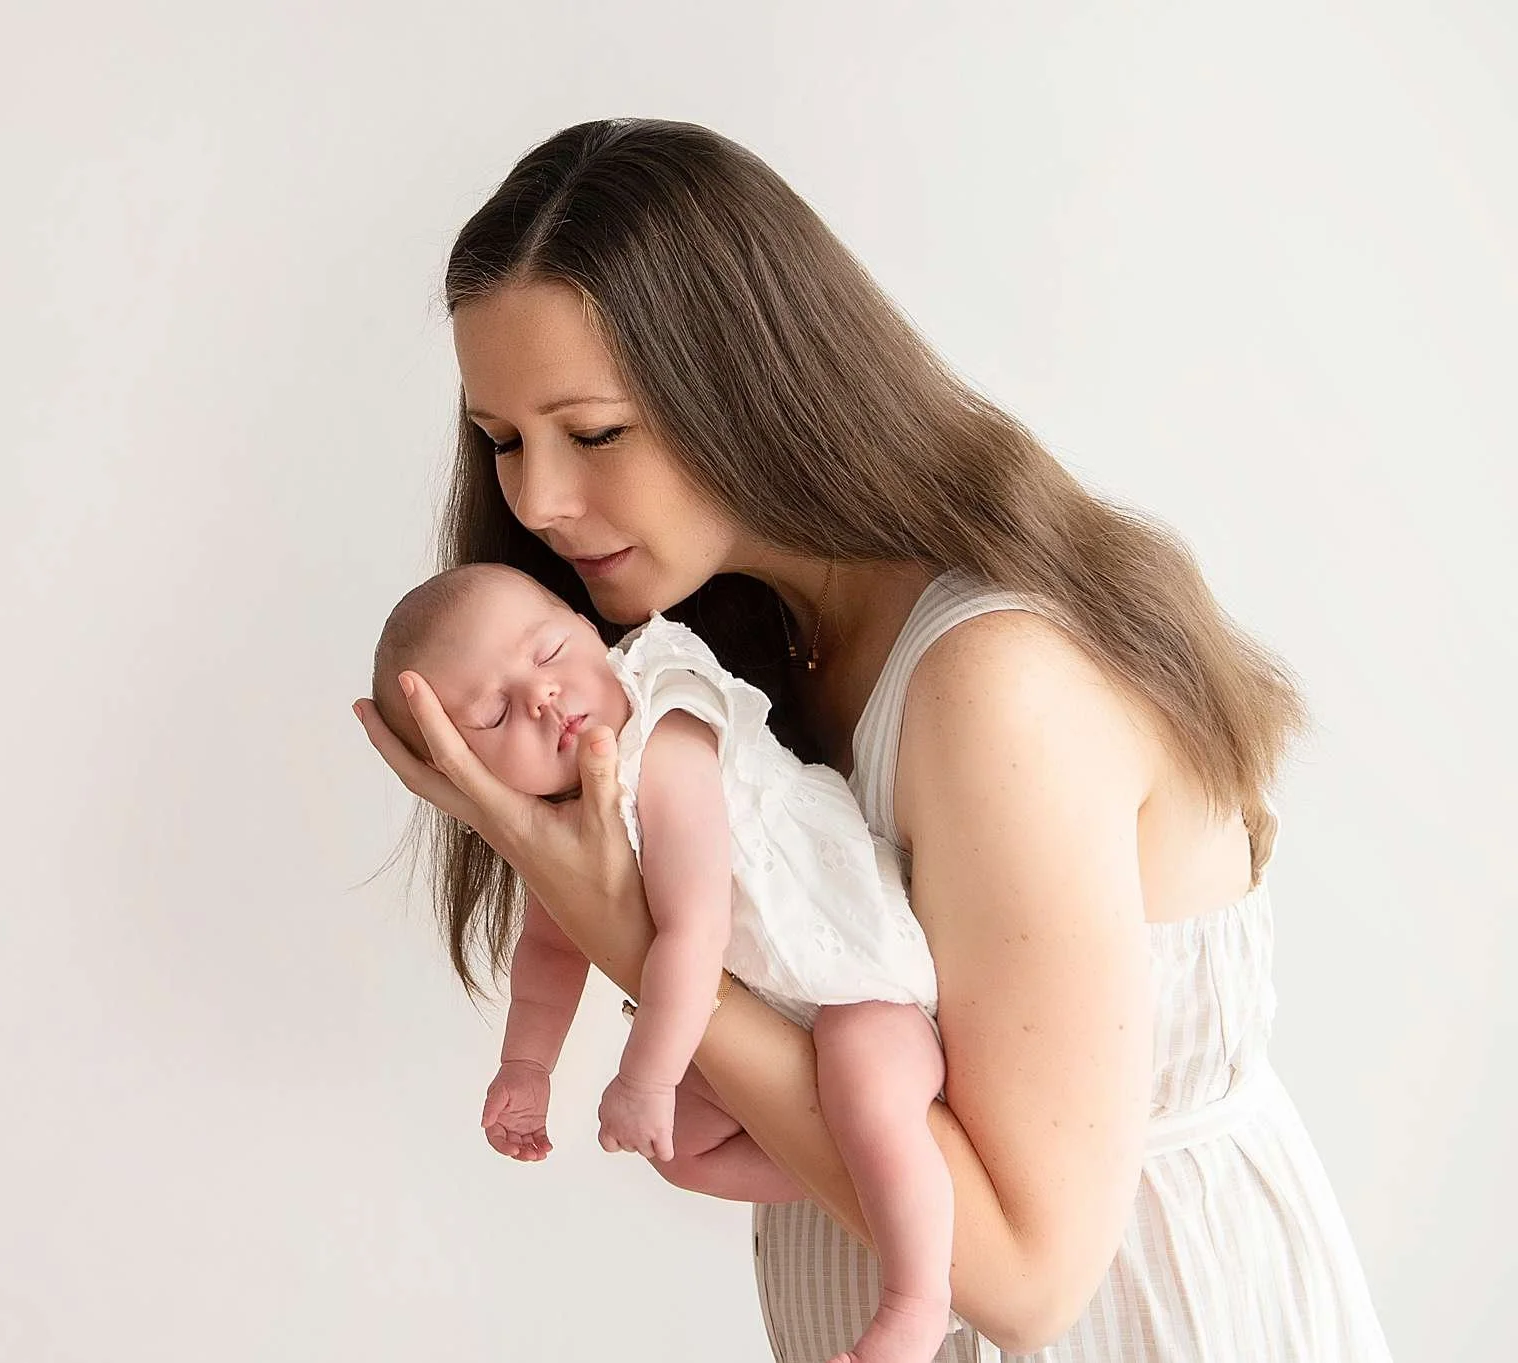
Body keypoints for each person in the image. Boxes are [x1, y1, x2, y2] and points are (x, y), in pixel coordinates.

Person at [351, 118, 1393, 1361]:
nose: (533, 502)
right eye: (503, 441)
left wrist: (628, 920)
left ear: (740, 388)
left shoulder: (990, 682)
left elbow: (1025, 1283)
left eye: (593, 432)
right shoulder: (734, 660)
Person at [370, 561, 954, 1363]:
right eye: (496, 712)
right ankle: (872, 1179)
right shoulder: (565, 826)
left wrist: (642, 1079)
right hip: (763, 1013)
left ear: (587, 626)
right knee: (681, 1149)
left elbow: (694, 929)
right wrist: (526, 1066)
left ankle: (917, 1301)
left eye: (549, 651)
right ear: (462, 773)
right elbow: (548, 946)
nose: (542, 698)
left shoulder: (664, 726)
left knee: (863, 1079)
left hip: (862, 981)